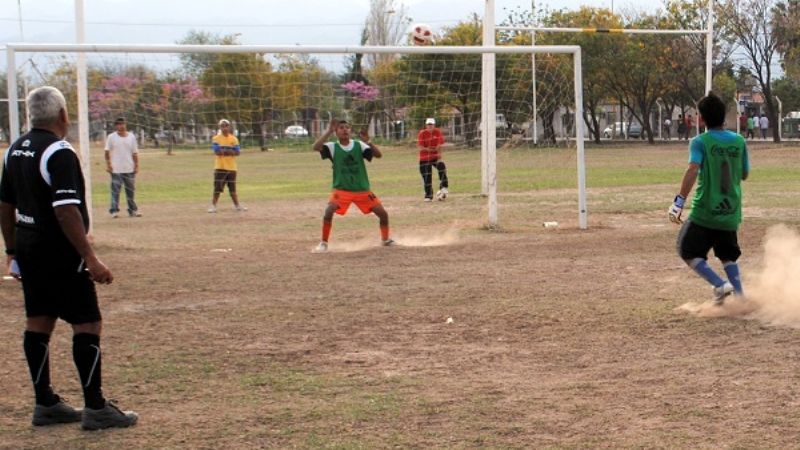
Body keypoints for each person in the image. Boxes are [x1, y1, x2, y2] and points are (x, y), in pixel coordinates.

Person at [0, 86, 138, 430]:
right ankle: (96, 408)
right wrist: (90, 257)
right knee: (87, 322)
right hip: (59, 251)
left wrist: (12, 251)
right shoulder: (59, 152)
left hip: (29, 248)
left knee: (39, 320)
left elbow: (5, 205)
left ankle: (44, 403)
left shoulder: (14, 149)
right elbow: (65, 211)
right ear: (63, 116)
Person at [668, 91, 750, 305]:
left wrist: (679, 202)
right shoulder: (739, 141)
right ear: (723, 116)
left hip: (705, 211)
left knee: (686, 249)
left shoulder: (700, 142)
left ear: (701, 118)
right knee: (728, 255)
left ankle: (719, 285)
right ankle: (741, 299)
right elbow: (744, 174)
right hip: (730, 211)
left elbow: (693, 168)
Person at [311, 119, 395, 252]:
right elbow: (315, 147)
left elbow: (378, 155)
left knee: (383, 214)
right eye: (341, 128)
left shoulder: (359, 145)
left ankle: (385, 240)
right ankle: (323, 243)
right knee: (328, 211)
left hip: (361, 189)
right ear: (336, 132)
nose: (345, 130)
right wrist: (328, 131)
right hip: (342, 190)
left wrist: (368, 142)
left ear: (350, 130)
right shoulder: (333, 147)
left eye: (347, 127)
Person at [104, 117, 140, 218]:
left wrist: (136, 165)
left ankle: (132, 210)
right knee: (115, 191)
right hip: (116, 169)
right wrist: (109, 164)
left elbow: (135, 153)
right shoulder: (111, 137)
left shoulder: (131, 137)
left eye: (123, 124)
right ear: (116, 126)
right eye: (119, 124)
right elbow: (107, 151)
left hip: (129, 168)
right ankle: (114, 211)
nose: (121, 126)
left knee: (130, 191)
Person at [208, 119, 246, 213]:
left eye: (226, 126)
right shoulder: (216, 138)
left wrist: (225, 151)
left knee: (233, 188)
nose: (224, 128)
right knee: (217, 188)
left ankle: (237, 206)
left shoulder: (234, 139)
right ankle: (213, 206)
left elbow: (237, 152)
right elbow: (217, 151)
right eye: (222, 126)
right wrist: (230, 151)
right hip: (220, 167)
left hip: (232, 167)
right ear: (219, 127)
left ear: (229, 127)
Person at [417, 118, 449, 201]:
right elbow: (421, 147)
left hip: (435, 157)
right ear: (426, 125)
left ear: (434, 125)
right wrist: (431, 150)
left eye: (431, 124)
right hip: (424, 158)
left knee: (442, 166)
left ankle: (443, 187)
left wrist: (439, 157)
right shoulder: (422, 133)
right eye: (428, 124)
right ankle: (428, 195)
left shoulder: (437, 132)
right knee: (427, 176)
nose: (430, 126)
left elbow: (439, 145)